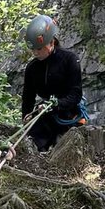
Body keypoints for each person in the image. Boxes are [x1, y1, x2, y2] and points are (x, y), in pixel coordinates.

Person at [20, 14, 86, 152]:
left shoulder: (70, 60)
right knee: (35, 142)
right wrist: (26, 118)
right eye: (32, 50)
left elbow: (75, 94)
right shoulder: (32, 68)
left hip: (69, 113)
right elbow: (28, 98)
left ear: (51, 43)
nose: (35, 53)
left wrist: (57, 104)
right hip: (45, 114)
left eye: (39, 49)